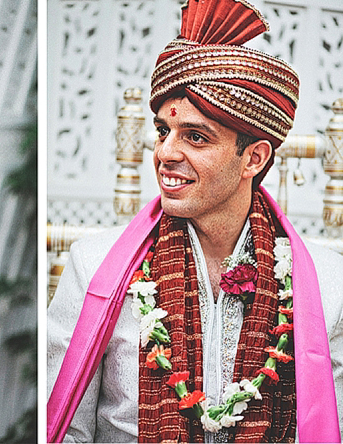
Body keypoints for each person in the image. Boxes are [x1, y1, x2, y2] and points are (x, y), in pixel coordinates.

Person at [47, 0, 343, 442]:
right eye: (163, 131)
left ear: (254, 158)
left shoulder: (327, 283)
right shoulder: (93, 266)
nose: (166, 153)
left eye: (196, 137)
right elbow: (65, 429)